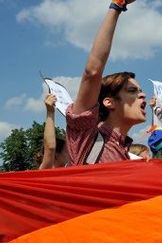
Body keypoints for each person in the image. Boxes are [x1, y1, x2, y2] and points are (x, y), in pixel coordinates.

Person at [65, 0, 145, 166]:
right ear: (109, 102)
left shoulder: (128, 154)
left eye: (140, 90)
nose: (143, 95)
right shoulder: (86, 136)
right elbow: (92, 72)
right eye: (132, 91)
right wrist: (117, 6)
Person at [37, 94, 68, 169]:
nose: (70, 153)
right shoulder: (47, 170)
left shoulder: (68, 169)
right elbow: (50, 148)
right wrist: (50, 111)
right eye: (66, 151)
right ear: (56, 156)